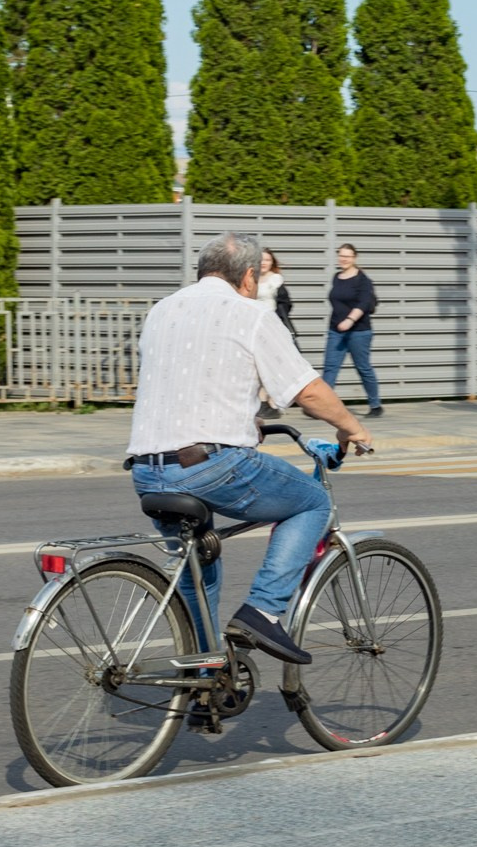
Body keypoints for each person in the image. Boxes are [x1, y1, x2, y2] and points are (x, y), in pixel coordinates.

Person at [125, 232, 371, 667]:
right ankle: (262, 611)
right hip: (209, 465)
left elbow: (186, 380)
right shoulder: (250, 313)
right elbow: (307, 392)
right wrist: (352, 428)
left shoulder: (162, 311)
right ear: (250, 277)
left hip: (146, 469)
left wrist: (243, 419)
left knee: (197, 563)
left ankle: (206, 672)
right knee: (312, 503)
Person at [323, 242, 383, 418]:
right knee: (330, 367)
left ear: (354, 258)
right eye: (341, 255)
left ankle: (375, 405)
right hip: (336, 330)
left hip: (359, 331)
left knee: (363, 367)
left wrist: (350, 320)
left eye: (347, 256)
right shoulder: (336, 277)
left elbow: (364, 303)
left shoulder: (363, 280)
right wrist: (340, 323)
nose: (343, 259)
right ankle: (323, 406)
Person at [258, 249, 296, 340]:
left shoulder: (275, 279)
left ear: (272, 263)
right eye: (261, 260)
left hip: (271, 323)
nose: (264, 263)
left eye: (267, 260)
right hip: (254, 321)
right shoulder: (251, 279)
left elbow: (285, 303)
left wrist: (276, 319)